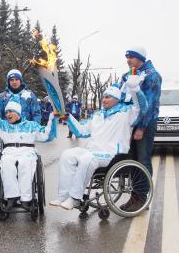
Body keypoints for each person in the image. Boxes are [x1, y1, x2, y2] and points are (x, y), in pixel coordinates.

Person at [50, 75, 148, 210]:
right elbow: (81, 132)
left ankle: (75, 198)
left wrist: (135, 89)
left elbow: (142, 107)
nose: (104, 99)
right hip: (93, 152)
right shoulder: (97, 115)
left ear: (117, 99)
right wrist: (68, 118)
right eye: (103, 96)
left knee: (87, 158)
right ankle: (63, 195)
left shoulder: (127, 113)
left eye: (108, 97)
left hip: (113, 155)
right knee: (67, 154)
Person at [0, 80, 58, 209]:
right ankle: (11, 197)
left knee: (25, 165)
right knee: (6, 165)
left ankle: (26, 199)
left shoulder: (30, 125)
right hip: (9, 151)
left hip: (27, 152)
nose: (8, 114)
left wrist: (51, 119)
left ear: (18, 113)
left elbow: (46, 135)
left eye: (11, 112)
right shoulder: (3, 125)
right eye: (6, 112)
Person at [119, 46, 162, 210]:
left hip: (146, 122)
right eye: (127, 57)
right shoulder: (128, 75)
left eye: (131, 57)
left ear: (140, 58)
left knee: (142, 159)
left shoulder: (152, 76)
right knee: (131, 159)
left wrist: (141, 127)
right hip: (129, 121)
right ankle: (134, 196)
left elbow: (150, 105)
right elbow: (119, 95)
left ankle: (140, 197)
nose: (128, 60)